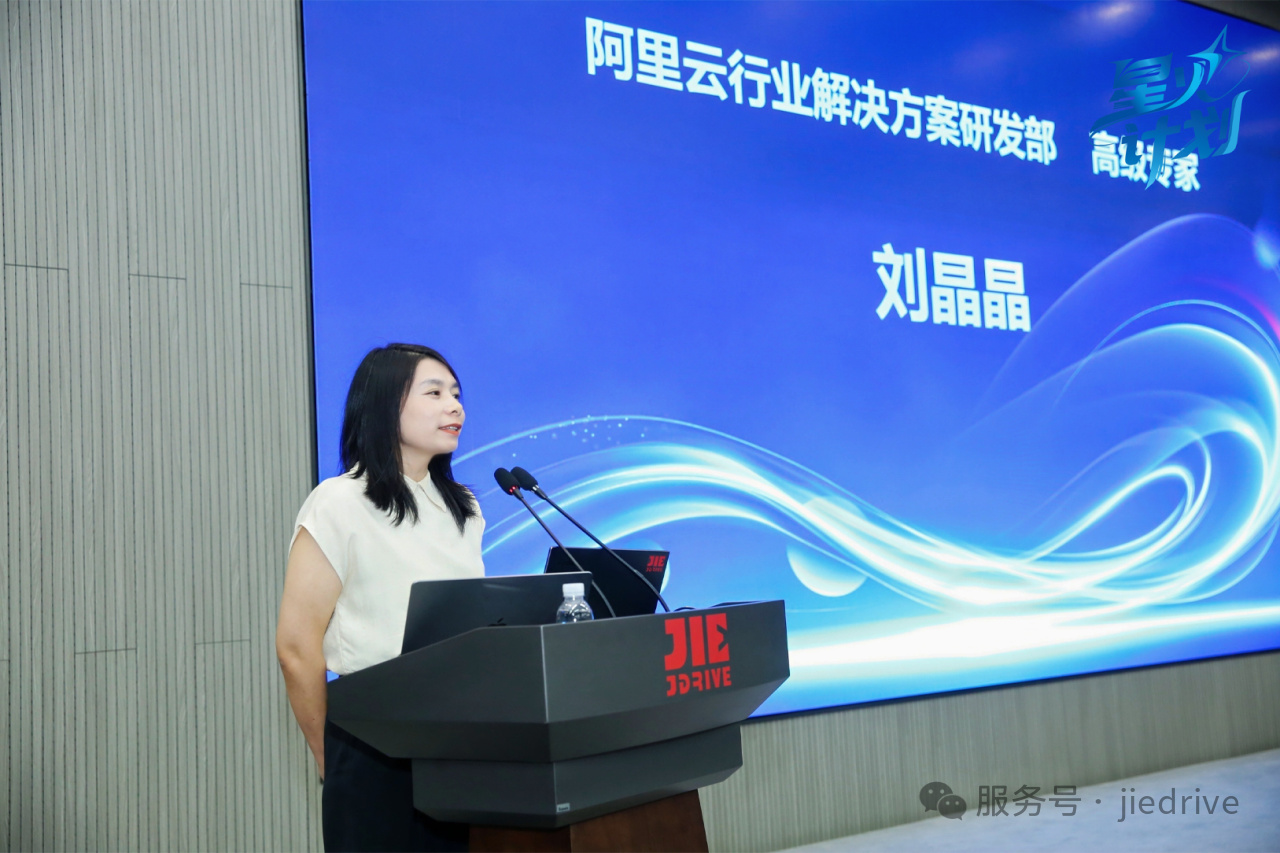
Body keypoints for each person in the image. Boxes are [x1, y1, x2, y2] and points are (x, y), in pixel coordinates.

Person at [276, 344, 482, 852]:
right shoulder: (339, 501)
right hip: (373, 743)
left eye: (456, 394)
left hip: (460, 740)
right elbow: (296, 647)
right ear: (386, 405)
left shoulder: (464, 507)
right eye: (434, 393)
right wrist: (328, 755)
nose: (454, 406)